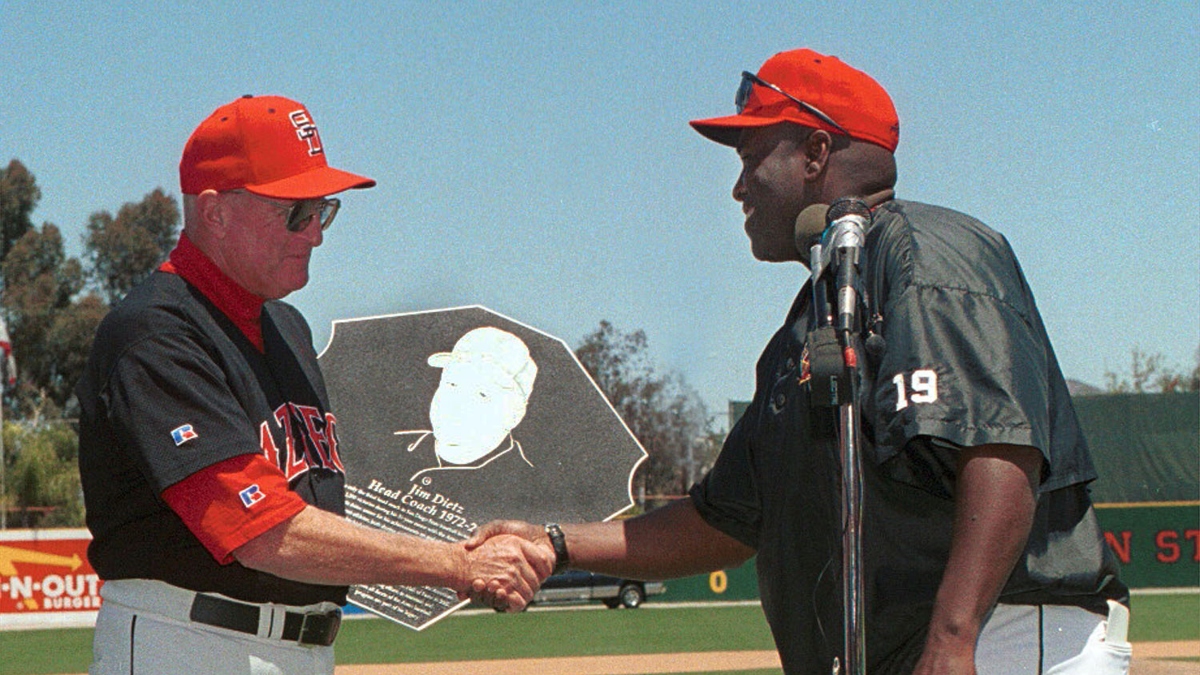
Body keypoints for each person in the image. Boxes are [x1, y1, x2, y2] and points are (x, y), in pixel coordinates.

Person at [469, 49, 1130, 674]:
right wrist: (554, 545)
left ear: (817, 150)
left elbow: (999, 449)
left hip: (1003, 637)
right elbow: (721, 519)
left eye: (752, 154)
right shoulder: (808, 324)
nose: (738, 187)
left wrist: (953, 638)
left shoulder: (929, 255)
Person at [76, 94, 554, 675]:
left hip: (304, 648)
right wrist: (457, 564)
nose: (315, 235)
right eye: (294, 211)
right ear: (215, 212)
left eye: (322, 210)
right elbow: (260, 530)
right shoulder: (157, 331)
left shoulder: (287, 327)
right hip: (187, 641)